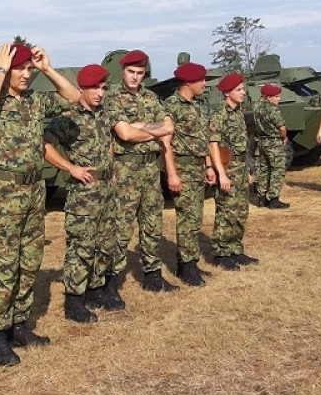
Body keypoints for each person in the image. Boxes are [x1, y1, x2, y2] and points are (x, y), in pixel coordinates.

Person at [0, 43, 80, 366]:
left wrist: (48, 69)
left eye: (29, 69)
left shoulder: (34, 101)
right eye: (21, 68)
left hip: (33, 193)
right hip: (2, 195)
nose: (26, 74)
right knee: (3, 267)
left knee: (29, 262)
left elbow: (74, 98)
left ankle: (19, 325)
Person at [43, 64, 121, 324]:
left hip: (107, 190)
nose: (100, 93)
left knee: (105, 243)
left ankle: (96, 290)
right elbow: (44, 146)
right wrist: (71, 168)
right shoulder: (68, 118)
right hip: (84, 194)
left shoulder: (104, 115)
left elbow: (109, 142)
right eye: (94, 88)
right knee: (82, 247)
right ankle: (74, 301)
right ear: (81, 89)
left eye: (103, 88)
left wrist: (112, 171)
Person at [103, 50, 178, 293]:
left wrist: (139, 128)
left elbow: (168, 128)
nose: (135, 77)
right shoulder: (112, 97)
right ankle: (111, 280)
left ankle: (152, 275)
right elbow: (124, 134)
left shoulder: (152, 98)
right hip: (124, 170)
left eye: (140, 73)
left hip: (150, 168)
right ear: (122, 71)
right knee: (121, 228)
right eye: (131, 72)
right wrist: (152, 129)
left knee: (152, 224)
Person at [162, 61, 216, 286]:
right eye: (201, 80)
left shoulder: (197, 105)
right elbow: (165, 141)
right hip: (182, 167)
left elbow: (201, 139)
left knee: (195, 218)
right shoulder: (171, 106)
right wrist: (172, 174)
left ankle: (190, 261)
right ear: (188, 82)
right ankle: (186, 266)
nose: (205, 83)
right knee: (187, 218)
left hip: (197, 166)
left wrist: (208, 165)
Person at [208, 73, 258, 270]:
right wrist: (221, 173)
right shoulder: (219, 115)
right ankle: (221, 253)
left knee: (240, 211)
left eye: (243, 89)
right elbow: (213, 145)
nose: (243, 92)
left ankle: (235, 248)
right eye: (239, 90)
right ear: (227, 93)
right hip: (227, 167)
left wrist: (246, 169)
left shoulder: (237, 113)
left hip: (239, 166)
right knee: (226, 211)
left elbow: (242, 146)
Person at [253, 83, 290, 209]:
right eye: (276, 96)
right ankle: (274, 199)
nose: (278, 99)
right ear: (268, 97)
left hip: (261, 142)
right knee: (277, 170)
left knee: (262, 170)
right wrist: (284, 138)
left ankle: (261, 199)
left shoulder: (257, 108)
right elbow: (282, 128)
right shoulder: (273, 110)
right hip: (274, 142)